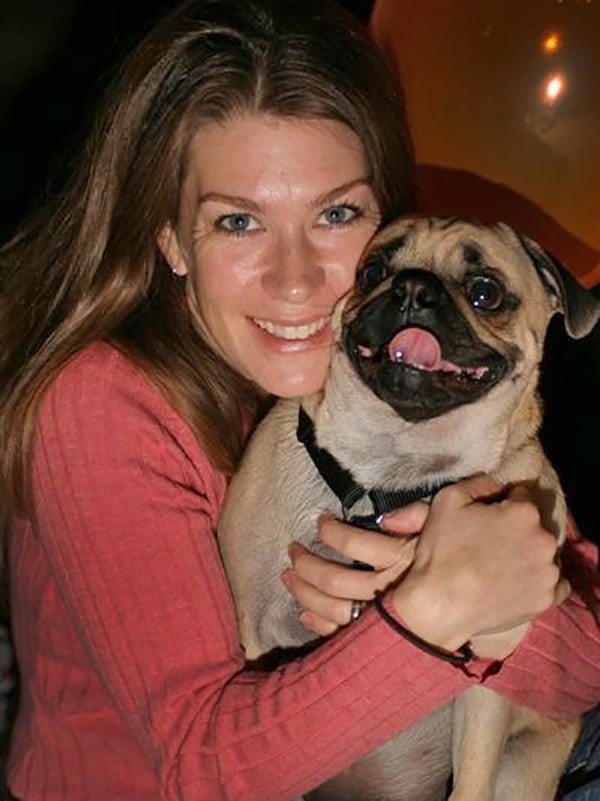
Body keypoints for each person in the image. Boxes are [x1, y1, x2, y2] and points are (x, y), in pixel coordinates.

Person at [0, 1, 597, 799]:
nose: (295, 278)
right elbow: (203, 768)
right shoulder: (96, 407)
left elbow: (587, 665)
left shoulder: (370, 381)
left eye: (337, 214)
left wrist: (499, 620)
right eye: (239, 221)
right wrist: (431, 612)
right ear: (171, 238)